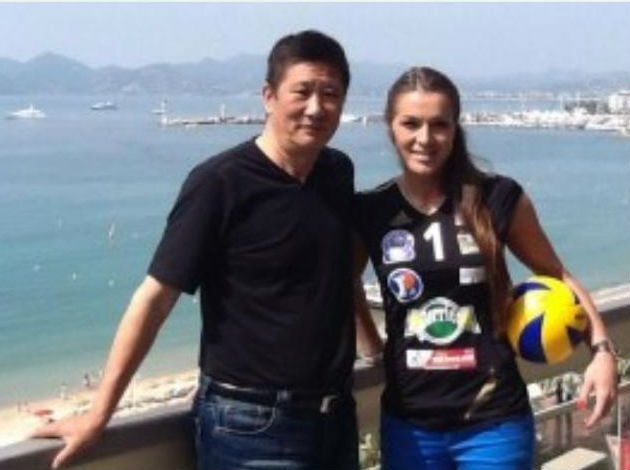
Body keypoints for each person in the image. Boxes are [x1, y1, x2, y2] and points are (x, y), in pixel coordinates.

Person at [34, 30, 360, 470]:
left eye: (331, 94)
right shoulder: (220, 183)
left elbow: (339, 273)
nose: (316, 107)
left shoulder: (337, 171)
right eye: (302, 92)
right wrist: (99, 414)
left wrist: (373, 347)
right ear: (269, 97)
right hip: (251, 424)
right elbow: (154, 299)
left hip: (336, 418)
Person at [353, 66, 618, 470]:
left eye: (439, 124)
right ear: (390, 127)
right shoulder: (372, 209)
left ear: (455, 129)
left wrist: (601, 351)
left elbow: (557, 275)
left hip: (494, 425)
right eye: (411, 123)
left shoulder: (496, 198)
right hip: (410, 427)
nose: (425, 138)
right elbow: (345, 282)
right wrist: (373, 347)